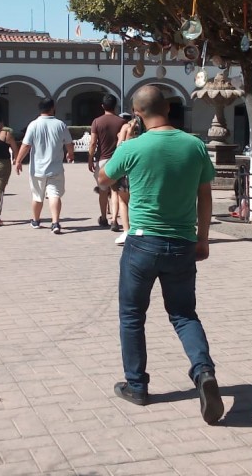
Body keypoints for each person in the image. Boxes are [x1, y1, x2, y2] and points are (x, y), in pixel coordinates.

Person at [98, 85, 224, 425]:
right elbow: (205, 196)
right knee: (184, 314)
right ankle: (203, 372)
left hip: (141, 244)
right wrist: (204, 239)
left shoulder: (134, 147)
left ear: (137, 113)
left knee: (132, 316)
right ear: (168, 108)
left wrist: (125, 149)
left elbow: (102, 177)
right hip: (182, 243)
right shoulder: (194, 145)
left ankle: (136, 385)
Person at [14, 98, 74, 234]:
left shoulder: (33, 125)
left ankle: (35, 220)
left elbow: (26, 145)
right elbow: (69, 143)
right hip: (56, 168)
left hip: (37, 169)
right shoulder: (60, 125)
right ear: (52, 108)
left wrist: (18, 161)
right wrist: (70, 154)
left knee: (37, 196)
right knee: (55, 195)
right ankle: (55, 223)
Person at [88, 94, 126, 232]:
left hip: (102, 160)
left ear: (103, 106)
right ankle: (115, 220)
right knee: (115, 191)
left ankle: (103, 217)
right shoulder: (122, 122)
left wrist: (90, 159)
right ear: (115, 106)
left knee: (103, 191)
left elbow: (93, 143)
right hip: (117, 159)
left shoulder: (97, 122)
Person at [113, 113, 142, 245]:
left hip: (126, 171)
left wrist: (122, 137)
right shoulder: (147, 128)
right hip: (141, 172)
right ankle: (140, 229)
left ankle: (126, 231)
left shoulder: (127, 126)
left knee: (123, 201)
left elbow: (119, 147)